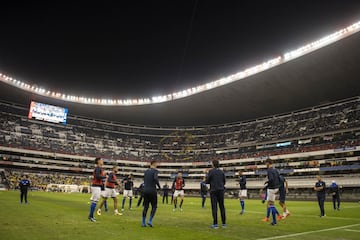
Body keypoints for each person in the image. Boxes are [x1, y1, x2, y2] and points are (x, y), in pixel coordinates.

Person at [206, 160, 226, 229]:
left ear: (213, 164)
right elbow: (224, 181)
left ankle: (215, 224)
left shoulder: (211, 171)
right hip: (221, 190)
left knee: (214, 207)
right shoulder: (221, 171)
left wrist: (206, 175)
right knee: (222, 207)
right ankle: (224, 223)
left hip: (214, 190)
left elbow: (207, 181)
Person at [142, 160, 161, 227]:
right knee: (154, 206)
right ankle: (150, 221)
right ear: (154, 164)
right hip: (152, 190)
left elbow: (144, 180)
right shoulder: (155, 171)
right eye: (157, 163)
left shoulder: (146, 171)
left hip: (145, 190)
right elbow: (155, 178)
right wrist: (159, 186)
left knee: (146, 206)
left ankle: (143, 222)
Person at [88, 157, 106, 222]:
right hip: (96, 186)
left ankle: (91, 215)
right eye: (101, 160)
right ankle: (90, 216)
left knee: (95, 200)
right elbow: (97, 176)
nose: (102, 161)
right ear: (98, 161)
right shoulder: (98, 168)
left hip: (97, 186)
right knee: (95, 201)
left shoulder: (98, 168)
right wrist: (104, 176)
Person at [264, 159, 281, 226]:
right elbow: (279, 178)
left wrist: (266, 182)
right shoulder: (276, 170)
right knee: (271, 204)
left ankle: (274, 221)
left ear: (268, 163)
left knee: (271, 205)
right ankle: (276, 217)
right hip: (276, 188)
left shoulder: (269, 170)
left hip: (271, 188)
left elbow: (271, 179)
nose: (265, 164)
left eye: (266, 163)